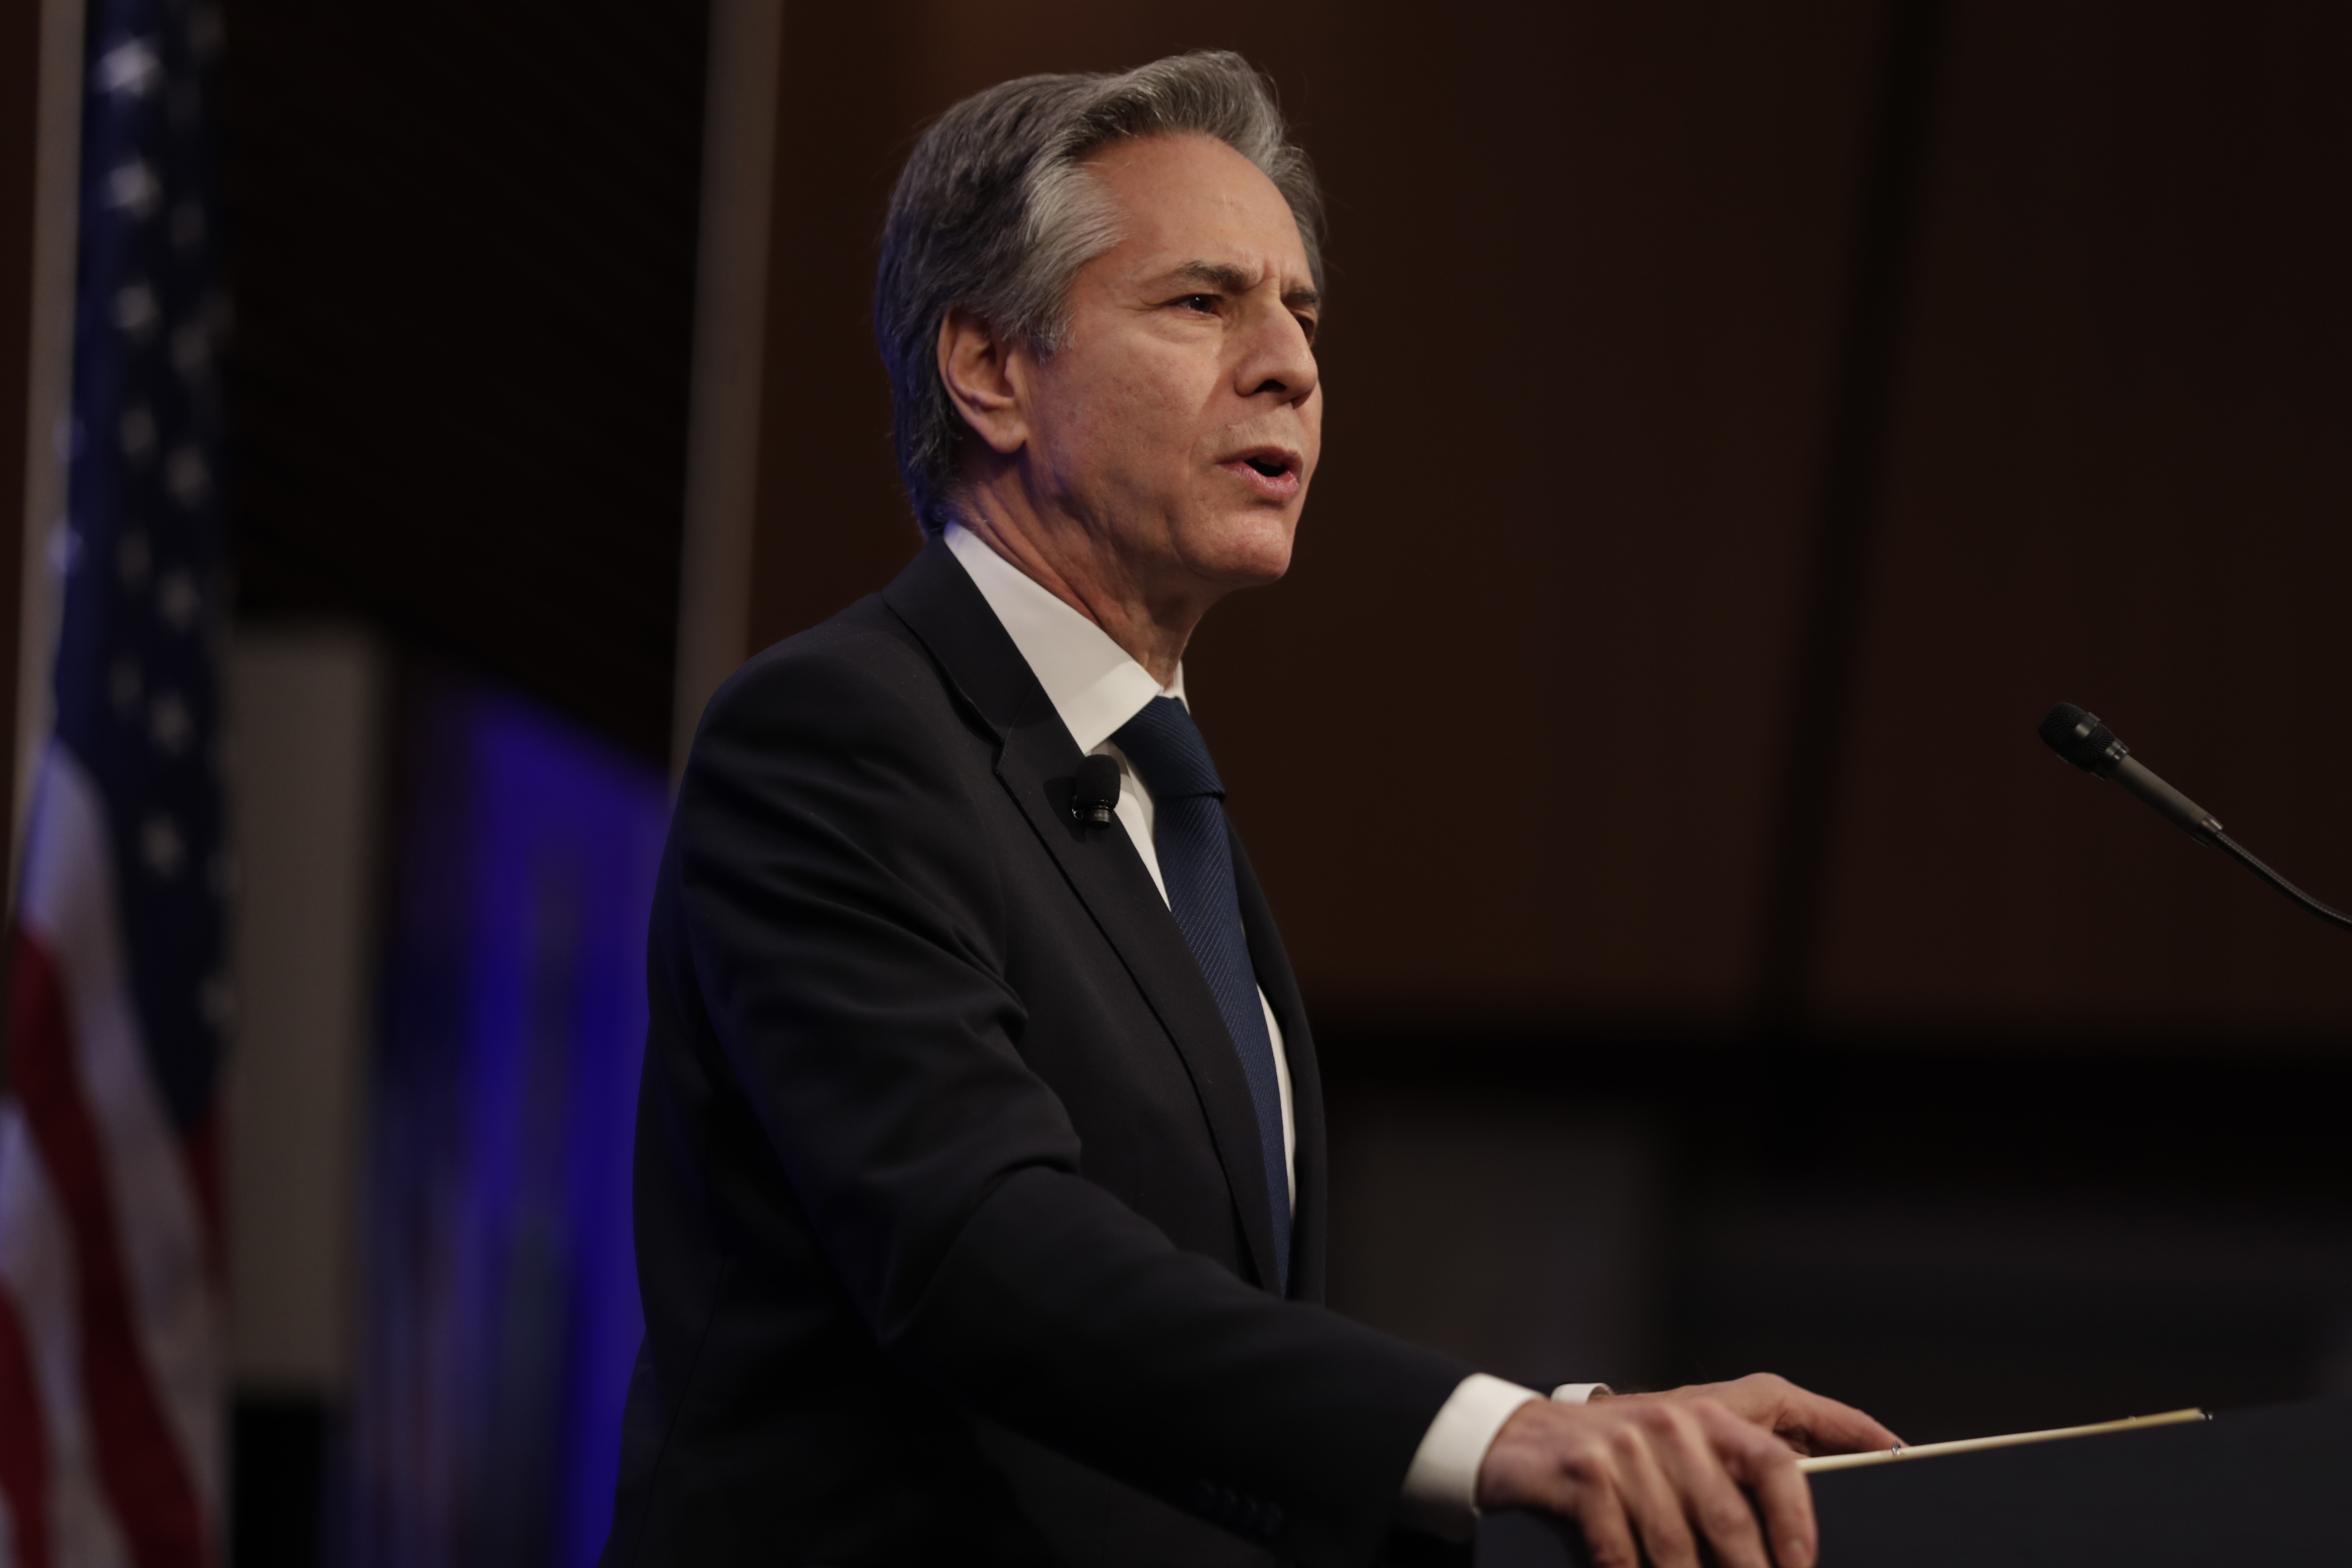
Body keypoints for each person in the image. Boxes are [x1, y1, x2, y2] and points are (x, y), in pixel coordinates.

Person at [602, 51, 1899, 1568]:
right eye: (1203, 303)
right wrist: (1504, 1437)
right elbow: (983, 1254)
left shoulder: (1162, 802)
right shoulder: (838, 739)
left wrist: (1583, 1439)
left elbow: (1203, 1399)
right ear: (991, 372)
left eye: (1302, 313)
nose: (1289, 362)